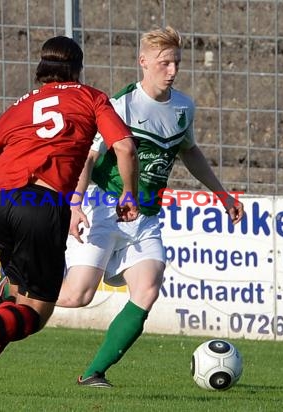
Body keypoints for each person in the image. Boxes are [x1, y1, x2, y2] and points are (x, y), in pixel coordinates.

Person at [0, 35, 139, 393]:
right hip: (43, 203)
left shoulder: (17, 107)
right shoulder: (91, 97)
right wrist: (129, 193)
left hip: (2, 204)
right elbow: (124, 146)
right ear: (78, 69)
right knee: (37, 313)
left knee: (18, 298)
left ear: (42, 69)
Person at [55, 26, 245, 388]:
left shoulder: (183, 106)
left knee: (148, 287)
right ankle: (10, 290)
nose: (172, 70)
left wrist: (222, 194)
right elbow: (88, 157)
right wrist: (74, 205)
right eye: (164, 63)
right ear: (143, 62)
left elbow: (189, 151)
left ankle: (94, 373)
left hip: (145, 217)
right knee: (76, 296)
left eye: (176, 62)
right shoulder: (121, 104)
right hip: (104, 207)